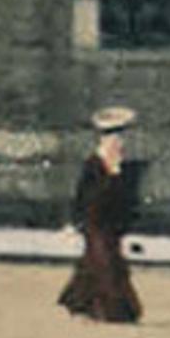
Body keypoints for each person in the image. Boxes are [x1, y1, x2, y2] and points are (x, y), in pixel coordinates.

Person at [58, 106, 142, 324]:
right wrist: (75, 221)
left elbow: (123, 198)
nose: (119, 143)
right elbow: (86, 196)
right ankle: (113, 310)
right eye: (115, 138)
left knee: (97, 263)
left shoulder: (117, 165)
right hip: (95, 222)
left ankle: (81, 304)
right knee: (103, 262)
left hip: (110, 223)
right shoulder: (95, 164)